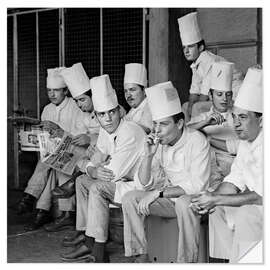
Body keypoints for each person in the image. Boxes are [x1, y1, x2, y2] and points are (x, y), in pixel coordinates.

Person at [121, 81, 211, 263]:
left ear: (179, 123)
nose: (157, 130)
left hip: (201, 201)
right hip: (171, 200)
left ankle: (186, 262)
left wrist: (158, 193)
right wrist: (147, 156)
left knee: (185, 203)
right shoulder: (159, 144)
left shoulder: (197, 141)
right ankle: (140, 257)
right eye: (155, 124)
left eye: (163, 124)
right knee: (130, 198)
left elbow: (197, 186)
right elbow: (142, 184)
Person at [60, 74, 146, 262]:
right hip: (120, 180)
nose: (107, 118)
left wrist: (98, 168)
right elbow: (96, 158)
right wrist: (92, 170)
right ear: (96, 116)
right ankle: (86, 237)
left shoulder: (129, 131)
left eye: (111, 112)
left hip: (138, 184)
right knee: (83, 181)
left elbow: (111, 174)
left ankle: (98, 251)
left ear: (118, 111)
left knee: (97, 187)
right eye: (102, 114)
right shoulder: (106, 131)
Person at [190, 67, 263, 263]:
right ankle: (224, 262)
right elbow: (233, 181)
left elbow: (260, 196)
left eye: (244, 117)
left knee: (245, 213)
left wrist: (216, 198)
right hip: (256, 206)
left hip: (261, 207)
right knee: (217, 210)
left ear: (261, 120)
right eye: (235, 117)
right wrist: (212, 198)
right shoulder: (246, 144)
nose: (237, 123)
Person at [18, 67, 91, 231]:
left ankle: (31, 198)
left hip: (75, 152)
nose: (52, 94)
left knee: (51, 162)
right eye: (49, 90)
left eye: (56, 90)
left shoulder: (75, 106)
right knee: (51, 162)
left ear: (65, 91)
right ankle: (43, 211)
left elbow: (80, 136)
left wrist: (58, 130)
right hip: (55, 155)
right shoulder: (47, 109)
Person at [178, 12, 243, 121]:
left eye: (190, 47)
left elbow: (204, 96)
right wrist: (190, 106)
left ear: (200, 47)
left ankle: (195, 134)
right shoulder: (196, 64)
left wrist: (192, 107)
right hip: (218, 98)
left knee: (197, 107)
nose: (186, 51)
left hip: (234, 98)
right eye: (184, 47)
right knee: (186, 106)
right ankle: (188, 133)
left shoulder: (208, 60)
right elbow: (194, 90)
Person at [187, 61, 240, 190]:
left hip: (233, 167)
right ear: (211, 95)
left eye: (228, 94)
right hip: (207, 169)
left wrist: (208, 137)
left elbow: (240, 147)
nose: (224, 99)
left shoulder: (239, 116)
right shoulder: (202, 118)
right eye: (219, 94)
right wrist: (205, 123)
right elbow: (183, 133)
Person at [123, 63, 152, 133]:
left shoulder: (150, 109)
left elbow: (148, 130)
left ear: (144, 90)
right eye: (125, 91)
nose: (128, 95)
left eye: (132, 90)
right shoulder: (132, 111)